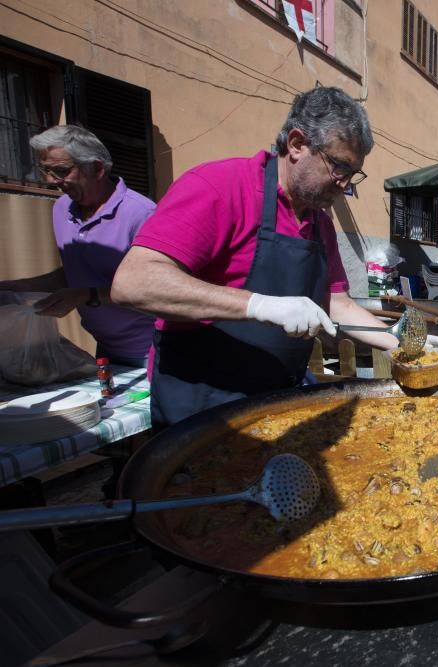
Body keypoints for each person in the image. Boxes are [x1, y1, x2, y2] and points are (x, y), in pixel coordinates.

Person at [112, 87, 406, 428]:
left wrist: (401, 342)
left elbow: (337, 303)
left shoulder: (319, 222)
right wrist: (259, 306)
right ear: (297, 144)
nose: (343, 184)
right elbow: (133, 282)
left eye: (352, 173)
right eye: (338, 166)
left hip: (277, 400)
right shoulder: (220, 187)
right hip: (203, 406)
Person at [0, 125, 155, 367]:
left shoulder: (141, 213)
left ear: (96, 168)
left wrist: (85, 295)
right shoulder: (62, 209)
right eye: (46, 171)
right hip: (107, 347)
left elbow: (153, 290)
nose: (52, 181)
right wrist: (14, 288)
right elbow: (75, 274)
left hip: (153, 350)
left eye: (61, 171)